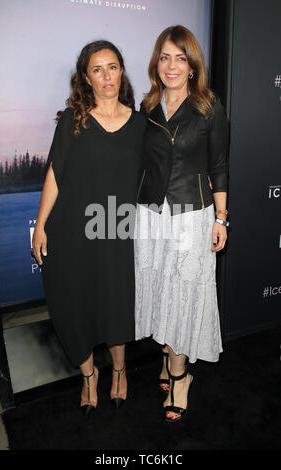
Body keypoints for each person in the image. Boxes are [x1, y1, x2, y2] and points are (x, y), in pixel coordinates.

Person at [32, 40, 146, 415]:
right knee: (73, 303)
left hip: (116, 231)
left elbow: (160, 173)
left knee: (116, 304)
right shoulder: (72, 121)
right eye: (97, 69)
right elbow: (55, 173)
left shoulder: (141, 124)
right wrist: (41, 224)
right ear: (86, 78)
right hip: (71, 232)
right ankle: (88, 376)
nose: (106, 76)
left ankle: (118, 370)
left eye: (112, 67)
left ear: (122, 71)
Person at [135, 25, 229, 423]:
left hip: (193, 215)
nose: (172, 66)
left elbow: (219, 166)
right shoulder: (147, 106)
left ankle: (181, 376)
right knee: (159, 290)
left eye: (180, 58)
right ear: (156, 63)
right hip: (151, 216)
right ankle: (168, 357)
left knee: (183, 295)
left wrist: (221, 217)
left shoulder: (208, 107)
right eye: (165, 57)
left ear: (192, 66)